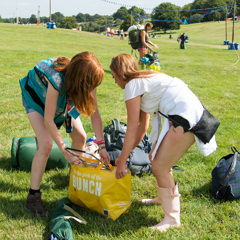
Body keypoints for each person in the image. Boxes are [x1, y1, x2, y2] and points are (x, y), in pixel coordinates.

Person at [110, 54, 218, 232]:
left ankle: (172, 218)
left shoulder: (132, 85)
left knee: (160, 165)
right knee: (157, 160)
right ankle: (163, 197)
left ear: (119, 73)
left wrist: (122, 159)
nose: (114, 81)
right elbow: (142, 127)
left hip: (186, 118)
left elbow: (131, 128)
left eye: (113, 76)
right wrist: (128, 154)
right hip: (188, 115)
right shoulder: (142, 79)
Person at [20, 52, 110, 217]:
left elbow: (95, 114)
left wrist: (102, 145)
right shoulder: (57, 80)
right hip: (36, 97)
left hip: (62, 97)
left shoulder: (87, 80)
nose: (92, 89)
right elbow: (49, 119)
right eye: (90, 85)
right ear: (80, 79)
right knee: (46, 144)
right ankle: (32, 196)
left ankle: (73, 181)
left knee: (81, 137)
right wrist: (64, 150)